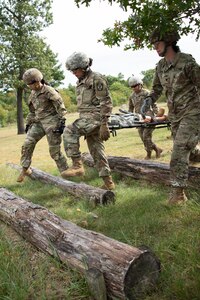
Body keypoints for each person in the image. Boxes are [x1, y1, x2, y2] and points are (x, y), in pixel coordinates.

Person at [142, 28, 200, 204]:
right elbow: (157, 88)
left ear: (169, 42)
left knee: (178, 151)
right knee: (188, 152)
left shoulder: (187, 63)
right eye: (153, 45)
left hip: (192, 112)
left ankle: (178, 194)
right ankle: (196, 156)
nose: (155, 48)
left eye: (157, 44)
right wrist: (149, 99)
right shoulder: (161, 66)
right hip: (175, 116)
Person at [61, 52, 115, 190]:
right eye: (71, 70)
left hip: (96, 117)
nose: (73, 72)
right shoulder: (80, 82)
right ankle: (108, 183)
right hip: (86, 117)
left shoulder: (96, 79)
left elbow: (106, 102)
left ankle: (77, 165)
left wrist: (104, 124)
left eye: (75, 69)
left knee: (69, 130)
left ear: (84, 66)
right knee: (96, 150)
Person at [17, 68, 68, 182]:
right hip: (38, 123)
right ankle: (25, 168)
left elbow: (61, 108)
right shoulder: (32, 94)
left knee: (54, 151)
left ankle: (66, 174)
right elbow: (32, 112)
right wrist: (28, 123)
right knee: (27, 144)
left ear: (37, 81)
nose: (29, 86)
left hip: (52, 122)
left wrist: (62, 123)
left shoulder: (49, 91)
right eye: (28, 84)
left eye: (30, 84)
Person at [128, 75, 163, 160]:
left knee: (146, 136)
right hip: (139, 119)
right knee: (143, 138)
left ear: (140, 84)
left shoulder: (147, 93)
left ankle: (149, 154)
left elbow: (154, 105)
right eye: (132, 87)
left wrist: (155, 116)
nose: (134, 88)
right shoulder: (131, 96)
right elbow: (130, 108)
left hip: (149, 117)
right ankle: (157, 149)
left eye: (135, 86)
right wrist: (129, 117)